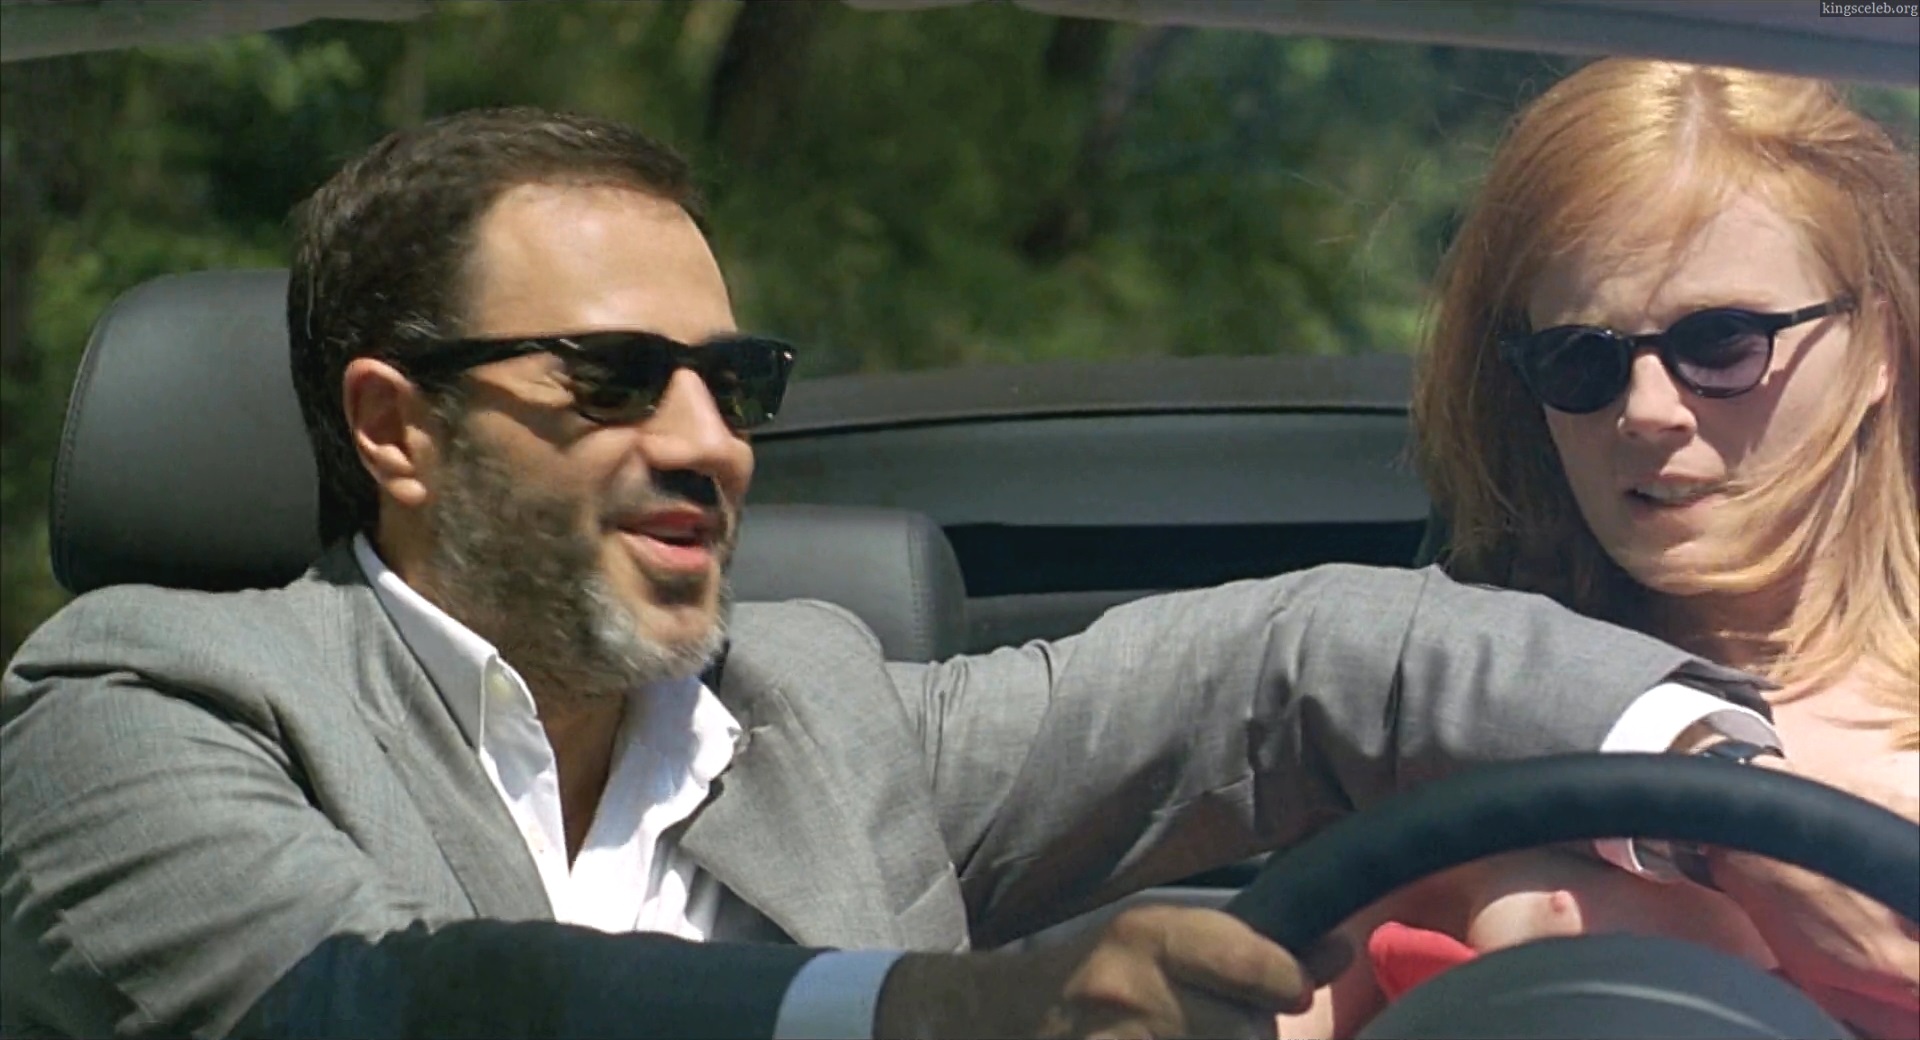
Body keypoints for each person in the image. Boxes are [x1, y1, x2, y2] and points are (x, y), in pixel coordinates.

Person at [0, 105, 1860, 1040]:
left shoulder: (812, 704)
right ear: (396, 429)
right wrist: (945, 1010)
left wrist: (1718, 791)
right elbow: (378, 1005)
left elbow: (1299, 660)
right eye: (616, 377)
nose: (711, 441)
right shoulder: (139, 702)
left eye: (734, 381)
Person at [1280, 58, 1919, 1039]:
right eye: (1582, 360)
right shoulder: (1449, 729)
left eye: (1722, 341)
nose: (1647, 410)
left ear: (1875, 346)